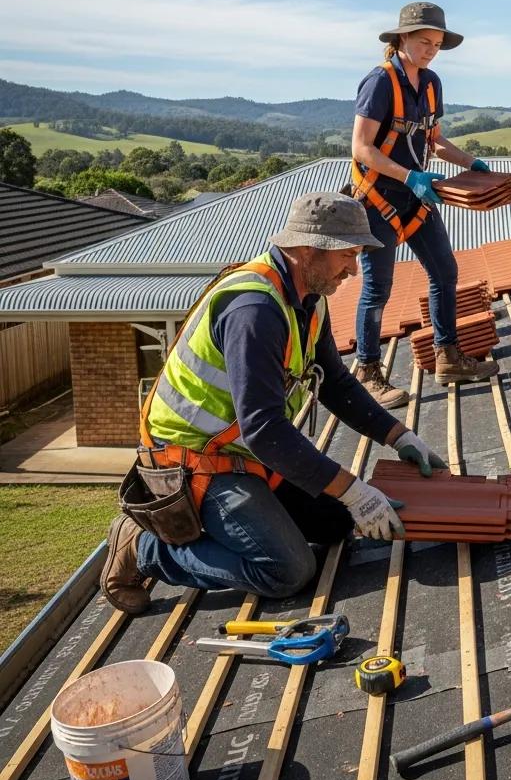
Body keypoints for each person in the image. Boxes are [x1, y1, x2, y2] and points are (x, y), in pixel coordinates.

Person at [101, 191, 447, 616]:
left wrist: (399, 436)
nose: (354, 270)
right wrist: (356, 491)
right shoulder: (255, 309)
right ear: (306, 250)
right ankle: (145, 547)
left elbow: (335, 383)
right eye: (347, 255)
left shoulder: (306, 299)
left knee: (338, 521)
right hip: (193, 463)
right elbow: (264, 430)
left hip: (244, 455)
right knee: (288, 570)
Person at [350, 1, 499, 408]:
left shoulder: (431, 83)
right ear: (402, 38)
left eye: (436, 43)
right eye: (423, 41)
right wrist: (410, 176)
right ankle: (366, 372)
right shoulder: (379, 83)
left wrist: (470, 162)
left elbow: (433, 139)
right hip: (379, 198)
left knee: (444, 271)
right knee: (378, 287)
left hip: (417, 197)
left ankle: (448, 358)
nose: (431, 49)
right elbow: (362, 149)